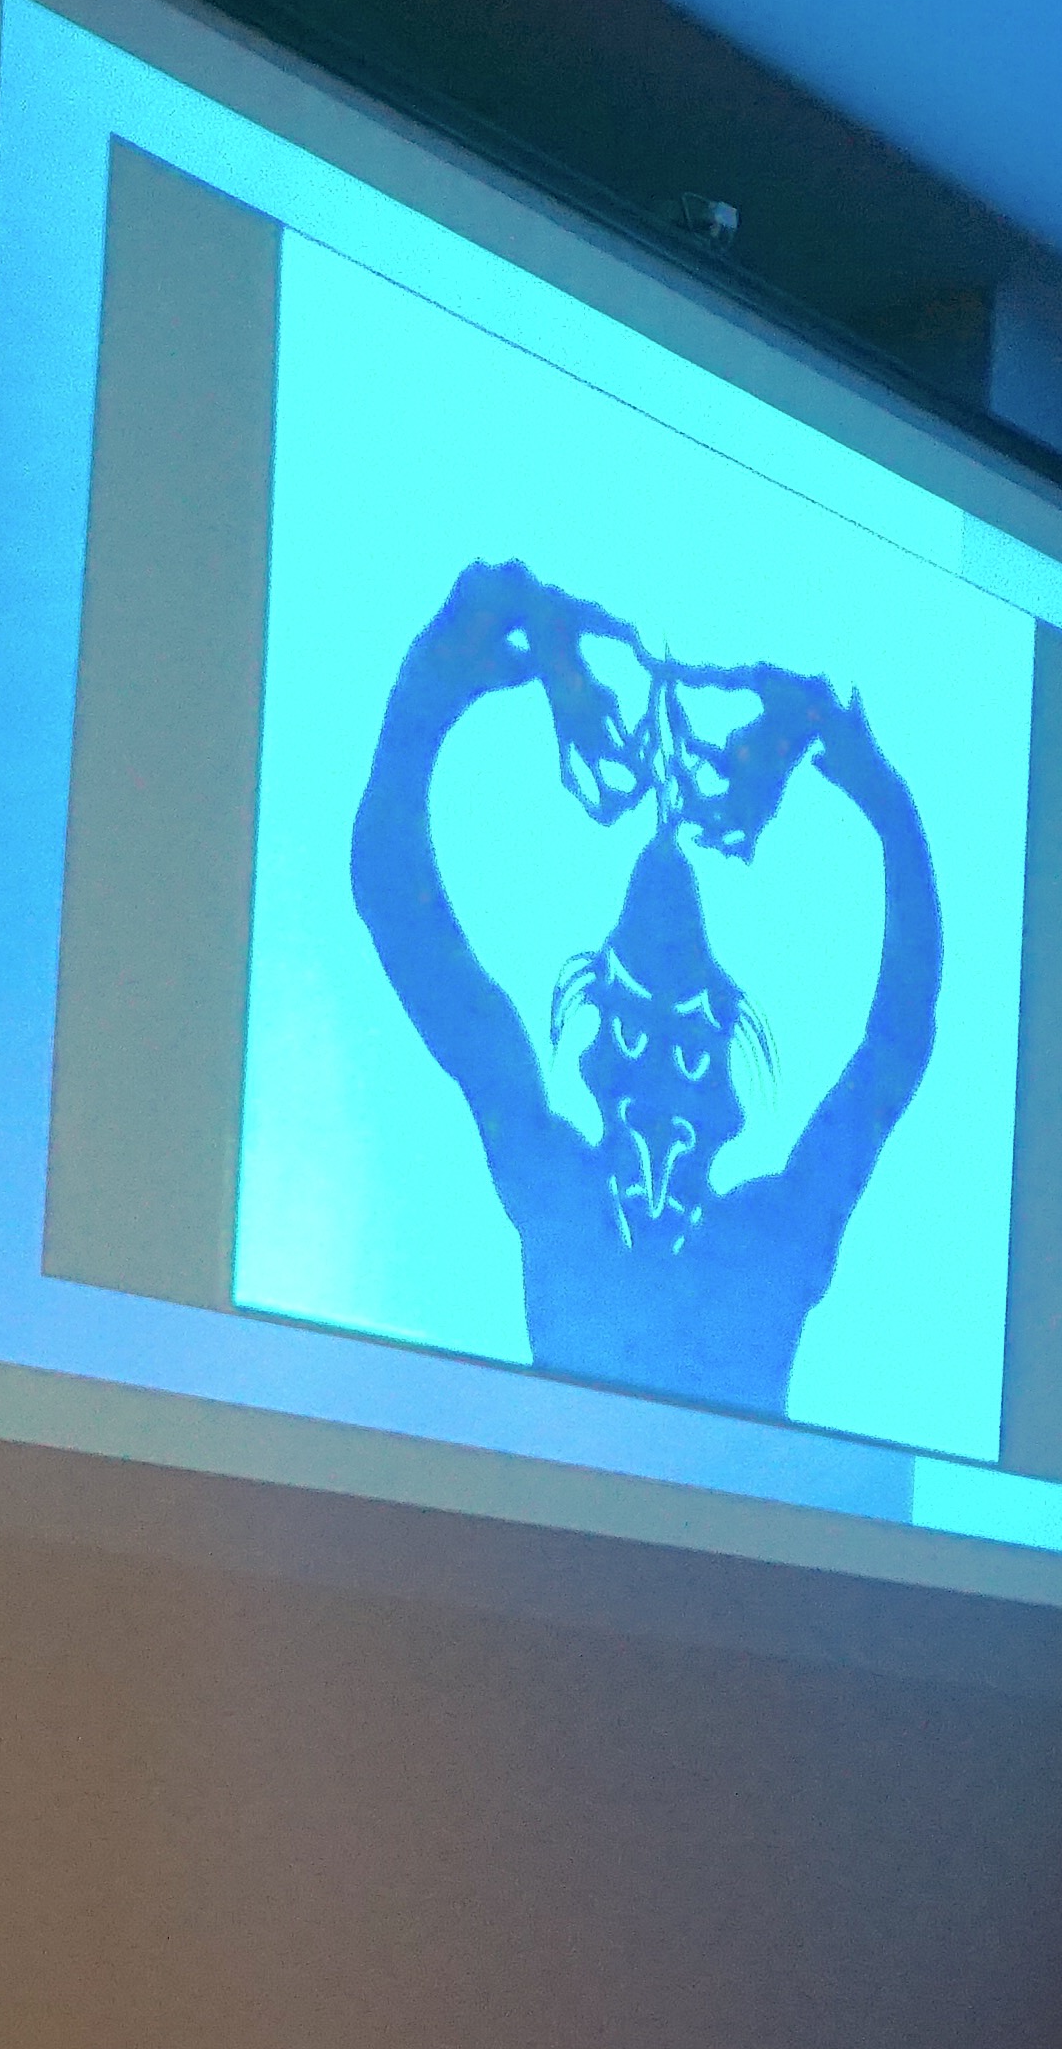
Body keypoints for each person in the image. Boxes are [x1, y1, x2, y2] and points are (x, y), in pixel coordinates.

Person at [348, 557, 940, 1421]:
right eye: (639, 1033)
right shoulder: (736, 1235)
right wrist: (888, 810)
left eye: (682, 1045)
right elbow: (897, 1045)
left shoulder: (576, 1197)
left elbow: (400, 912)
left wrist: (429, 694)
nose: (663, 1076)